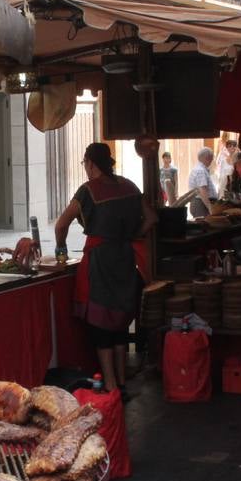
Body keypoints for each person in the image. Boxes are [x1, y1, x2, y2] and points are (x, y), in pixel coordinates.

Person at [54, 142, 156, 396]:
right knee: (120, 322)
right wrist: (132, 235)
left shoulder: (88, 190)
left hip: (99, 260)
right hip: (124, 256)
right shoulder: (129, 186)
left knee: (101, 324)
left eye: (85, 164)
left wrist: (61, 249)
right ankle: (121, 383)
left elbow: (61, 224)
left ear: (90, 163)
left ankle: (110, 387)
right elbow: (152, 218)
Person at [188, 147, 218, 218]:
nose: (212, 160)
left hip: (201, 203)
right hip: (200, 204)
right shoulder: (200, 170)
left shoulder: (200, 169)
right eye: (211, 158)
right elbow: (202, 190)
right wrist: (210, 207)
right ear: (207, 158)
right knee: (203, 226)